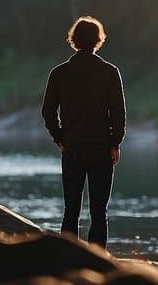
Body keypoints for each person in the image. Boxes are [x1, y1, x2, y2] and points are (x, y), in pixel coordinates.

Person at [41, 15, 126, 246]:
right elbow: (118, 114)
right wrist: (114, 143)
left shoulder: (59, 73)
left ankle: (68, 260)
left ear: (74, 40)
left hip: (72, 148)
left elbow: (48, 112)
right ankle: (97, 262)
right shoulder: (110, 72)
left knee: (71, 211)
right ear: (98, 40)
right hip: (101, 149)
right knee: (99, 212)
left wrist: (59, 138)